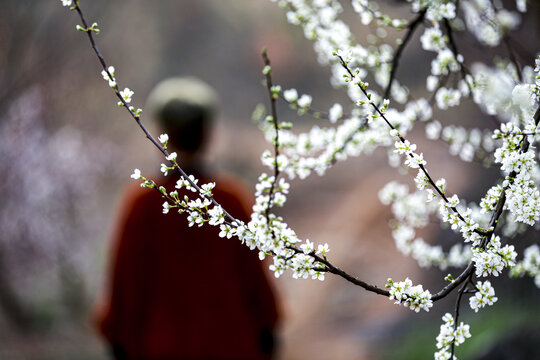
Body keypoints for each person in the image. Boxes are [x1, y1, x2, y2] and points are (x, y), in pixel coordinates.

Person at [95, 77, 280, 360]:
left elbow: (125, 287)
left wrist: (121, 341)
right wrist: (266, 331)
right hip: (232, 347)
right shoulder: (230, 200)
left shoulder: (141, 203)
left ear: (162, 133)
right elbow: (256, 283)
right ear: (208, 134)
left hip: (160, 348)